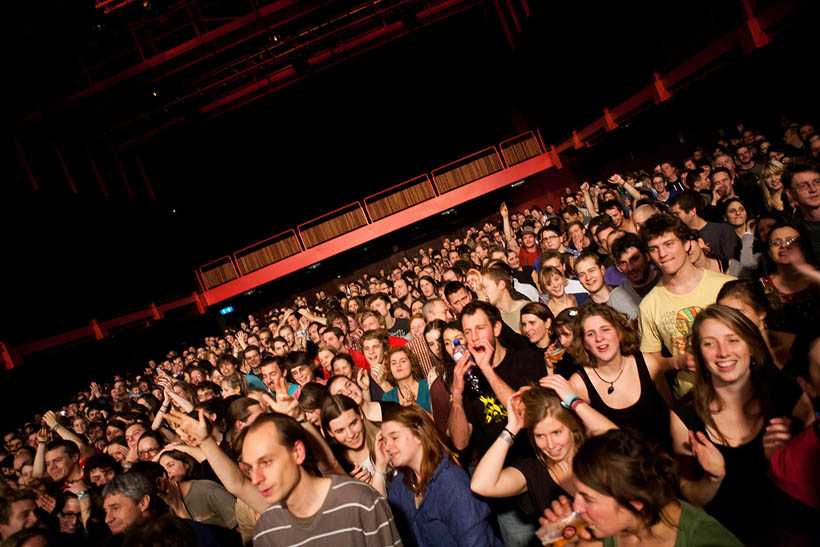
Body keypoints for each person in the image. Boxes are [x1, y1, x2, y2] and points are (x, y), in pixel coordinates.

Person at [669, 305, 814, 542]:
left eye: (733, 340)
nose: (723, 352)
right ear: (699, 353)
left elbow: (813, 488)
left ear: (750, 345)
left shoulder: (790, 397)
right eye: (709, 344)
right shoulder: (685, 414)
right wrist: (713, 478)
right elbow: (690, 500)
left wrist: (783, 462)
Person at [540, 429, 742, 546]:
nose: (577, 507)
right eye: (578, 493)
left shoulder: (706, 540)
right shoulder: (599, 525)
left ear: (636, 501)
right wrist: (563, 540)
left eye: (588, 498)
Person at [243, 413, 402, 546]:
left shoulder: (360, 502)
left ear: (298, 453)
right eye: (250, 468)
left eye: (266, 462)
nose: (255, 479)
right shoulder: (266, 530)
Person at [471, 385, 615, 515]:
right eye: (540, 436)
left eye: (556, 432)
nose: (550, 445)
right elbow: (481, 485)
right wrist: (512, 427)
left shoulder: (595, 453)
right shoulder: (533, 471)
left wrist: (574, 402)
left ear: (572, 427)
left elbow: (622, 442)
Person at [373, 404, 502, 546]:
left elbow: (477, 543)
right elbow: (381, 520)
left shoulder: (451, 482)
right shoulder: (402, 484)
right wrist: (380, 468)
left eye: (394, 437)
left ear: (419, 434)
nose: (387, 446)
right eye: (384, 440)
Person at [638, 214, 734, 397]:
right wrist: (677, 362)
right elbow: (650, 360)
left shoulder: (725, 286)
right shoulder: (649, 305)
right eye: (654, 248)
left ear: (686, 244)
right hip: (692, 397)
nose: (663, 254)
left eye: (669, 244)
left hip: (737, 389)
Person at [554, 304, 676, 447]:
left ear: (619, 333)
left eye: (605, 330)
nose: (599, 338)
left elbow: (671, 411)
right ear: (585, 343)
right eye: (590, 334)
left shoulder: (648, 364)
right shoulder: (580, 384)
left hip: (663, 461)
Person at [758, 223, 820, 335]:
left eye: (791, 241)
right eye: (776, 243)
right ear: (769, 252)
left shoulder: (817, 276)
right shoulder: (761, 286)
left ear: (803, 248)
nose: (784, 246)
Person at [158, 450, 238, 530]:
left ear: (186, 465)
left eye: (170, 465)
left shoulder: (207, 489)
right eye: (162, 469)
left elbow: (241, 527)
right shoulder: (167, 503)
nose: (166, 471)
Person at [573, 251, 639, 320]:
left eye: (591, 270)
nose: (588, 277)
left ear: (602, 270)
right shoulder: (586, 312)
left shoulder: (626, 291)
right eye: (582, 275)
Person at [381, 347, 432, 413]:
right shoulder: (388, 397)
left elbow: (439, 421)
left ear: (412, 364)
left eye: (403, 361)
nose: (398, 365)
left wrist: (414, 404)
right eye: (394, 363)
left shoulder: (429, 386)